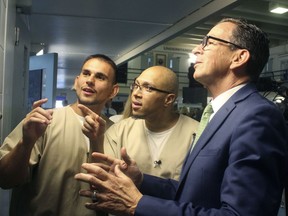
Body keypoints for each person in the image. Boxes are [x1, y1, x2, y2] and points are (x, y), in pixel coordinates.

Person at [75, 18, 288, 216]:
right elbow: (193, 194)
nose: (196, 49)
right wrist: (141, 180)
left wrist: (137, 204)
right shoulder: (218, 113)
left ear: (239, 57)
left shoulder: (257, 116)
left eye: (209, 43)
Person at [0, 54, 119, 215]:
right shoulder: (44, 121)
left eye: (100, 77)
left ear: (113, 91)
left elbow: (113, 193)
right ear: (76, 81)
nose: (90, 80)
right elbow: (5, 179)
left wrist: (97, 142)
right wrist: (26, 143)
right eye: (86, 73)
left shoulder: (117, 133)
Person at [103, 66, 199, 180]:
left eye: (148, 88)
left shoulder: (197, 134)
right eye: (136, 86)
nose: (136, 94)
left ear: (168, 99)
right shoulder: (119, 132)